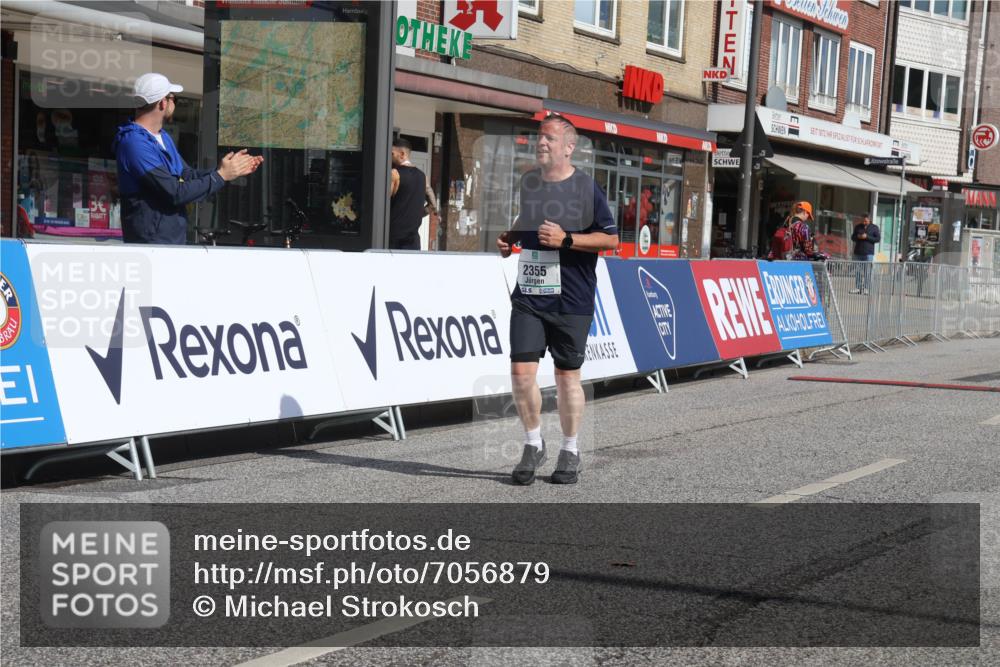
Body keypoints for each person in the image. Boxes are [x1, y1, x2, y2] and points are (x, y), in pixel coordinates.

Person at [496, 115, 619, 485]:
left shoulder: (586, 188)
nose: (541, 144)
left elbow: (610, 240)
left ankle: (570, 449)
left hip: (572, 297)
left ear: (569, 146)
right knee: (520, 374)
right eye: (539, 138)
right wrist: (511, 237)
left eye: (549, 138)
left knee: (567, 378)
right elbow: (529, 219)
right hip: (531, 295)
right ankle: (533, 443)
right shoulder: (530, 183)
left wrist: (567, 240)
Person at [114, 73, 262, 244]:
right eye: (172, 98)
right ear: (163, 103)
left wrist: (228, 169)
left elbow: (187, 174)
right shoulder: (134, 143)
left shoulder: (162, 137)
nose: (174, 102)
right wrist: (220, 176)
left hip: (172, 240)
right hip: (152, 244)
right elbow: (174, 192)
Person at [389, 138, 435, 250]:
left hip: (393, 239)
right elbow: (433, 205)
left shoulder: (394, 174)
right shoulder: (423, 176)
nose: (390, 157)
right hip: (413, 240)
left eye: (392, 154)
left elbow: (382, 205)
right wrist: (418, 214)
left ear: (402, 154)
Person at [850, 213, 881, 294]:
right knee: (858, 271)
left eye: (865, 221)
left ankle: (867, 288)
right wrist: (858, 237)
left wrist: (867, 237)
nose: (864, 222)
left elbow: (877, 239)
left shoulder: (874, 227)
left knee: (868, 271)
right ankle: (858, 287)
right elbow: (852, 237)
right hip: (858, 252)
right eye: (863, 220)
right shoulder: (858, 227)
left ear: (869, 220)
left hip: (868, 253)